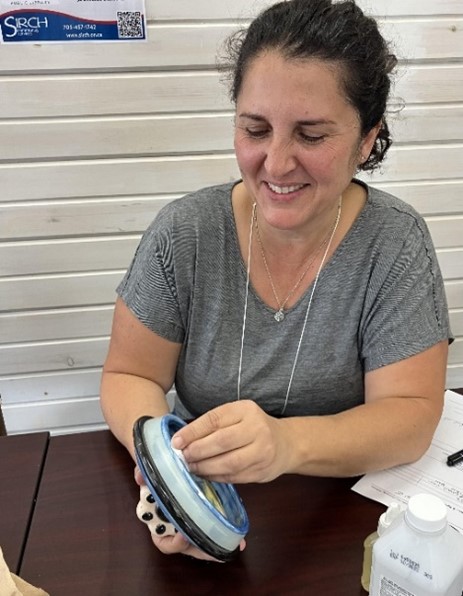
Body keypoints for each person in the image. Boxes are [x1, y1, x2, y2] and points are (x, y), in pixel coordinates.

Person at [100, 0, 452, 560]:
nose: (277, 163)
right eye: (256, 129)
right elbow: (129, 373)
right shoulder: (186, 233)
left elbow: (409, 415)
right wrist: (170, 474)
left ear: (367, 139)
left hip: (336, 520)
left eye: (310, 135)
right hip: (212, 486)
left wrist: (286, 444)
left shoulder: (394, 243)